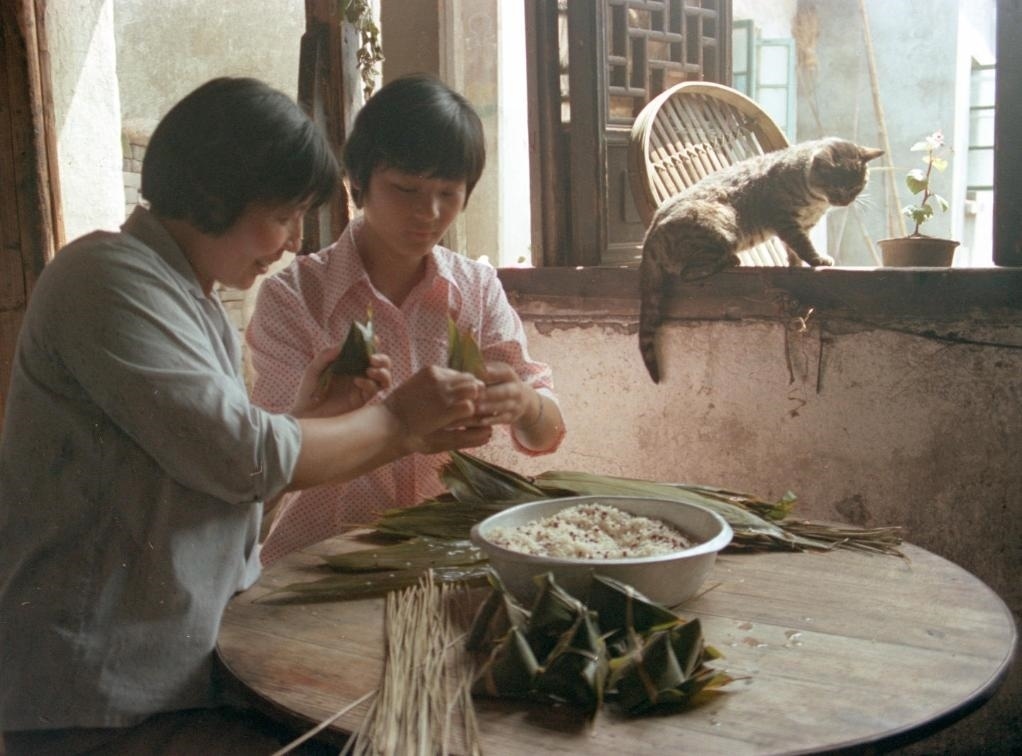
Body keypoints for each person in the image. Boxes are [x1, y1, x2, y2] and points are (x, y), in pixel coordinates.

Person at [0, 77, 493, 755]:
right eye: (284, 215)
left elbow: (229, 491)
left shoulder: (190, 302)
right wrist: (398, 424)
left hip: (177, 682)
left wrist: (309, 416)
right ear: (214, 195)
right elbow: (243, 457)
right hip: (98, 703)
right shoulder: (104, 277)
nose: (292, 241)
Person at [247, 73, 566, 563]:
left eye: (448, 193)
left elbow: (544, 433)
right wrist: (394, 426)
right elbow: (272, 461)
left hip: (445, 557)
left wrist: (525, 404)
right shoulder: (294, 298)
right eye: (406, 189)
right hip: (318, 563)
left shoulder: (477, 289)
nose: (429, 212)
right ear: (358, 183)